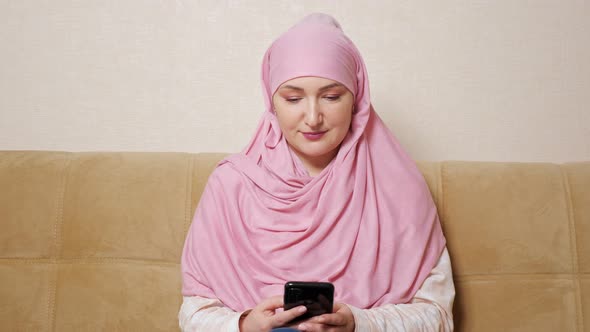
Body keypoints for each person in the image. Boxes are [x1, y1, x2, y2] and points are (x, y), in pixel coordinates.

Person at [179, 13, 454, 332]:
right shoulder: (231, 185)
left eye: (331, 96)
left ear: (357, 100)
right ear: (271, 101)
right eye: (293, 98)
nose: (312, 117)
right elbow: (193, 313)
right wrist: (243, 326)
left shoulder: (400, 190)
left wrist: (359, 323)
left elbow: (438, 315)